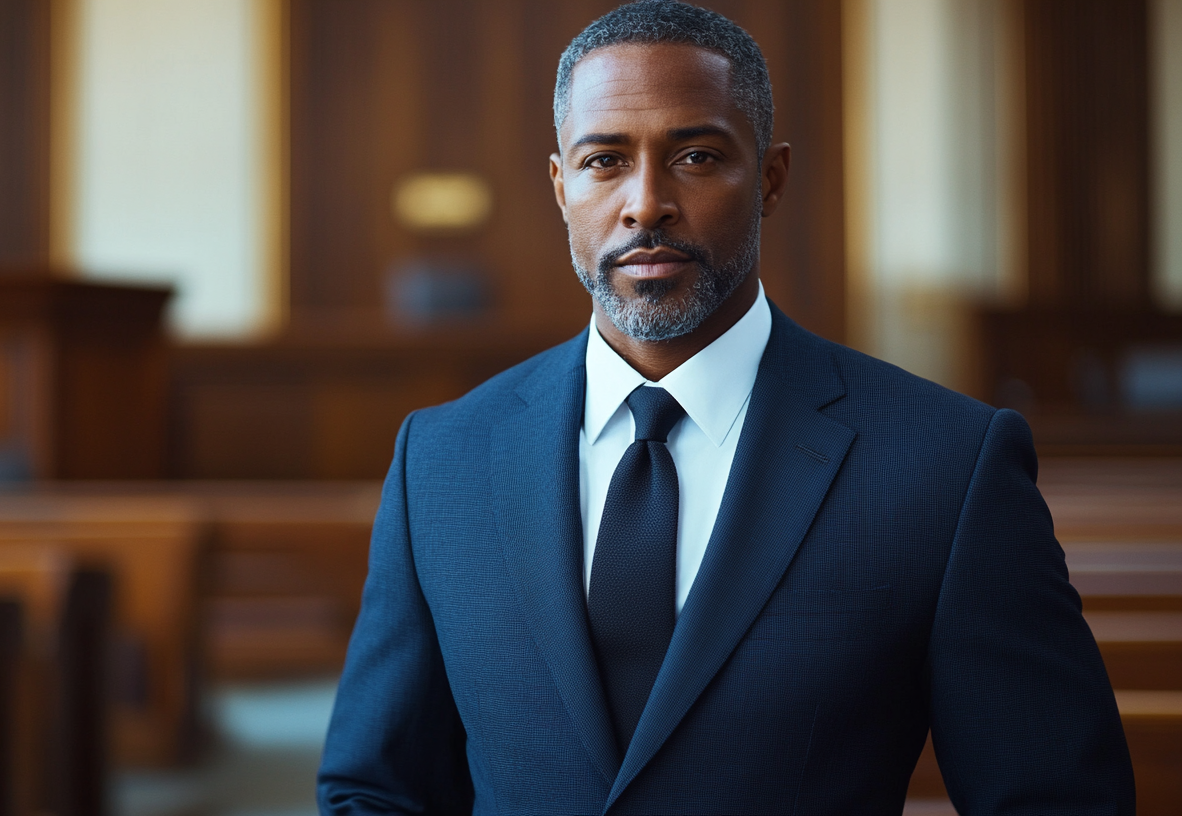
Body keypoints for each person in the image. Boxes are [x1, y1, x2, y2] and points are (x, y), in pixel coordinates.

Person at [317, 1, 1134, 813]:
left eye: (697, 156)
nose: (645, 204)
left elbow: (1056, 798)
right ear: (562, 187)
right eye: (605, 161)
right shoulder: (443, 458)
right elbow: (376, 789)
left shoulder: (948, 466)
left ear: (771, 178)